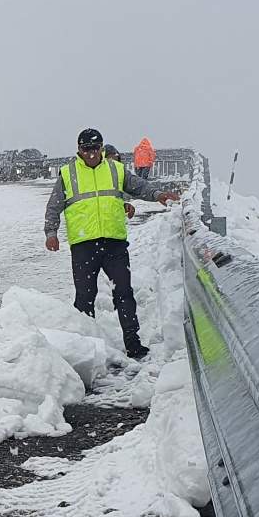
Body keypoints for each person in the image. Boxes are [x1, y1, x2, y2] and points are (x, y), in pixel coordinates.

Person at [43, 127, 175, 360]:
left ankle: (133, 343)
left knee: (124, 293)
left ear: (102, 148)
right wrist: (50, 232)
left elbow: (139, 187)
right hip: (83, 244)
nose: (91, 153)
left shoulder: (116, 169)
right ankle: (86, 349)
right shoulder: (68, 173)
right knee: (85, 296)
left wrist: (158, 195)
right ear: (79, 150)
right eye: (86, 149)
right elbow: (54, 205)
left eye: (95, 148)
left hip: (114, 243)